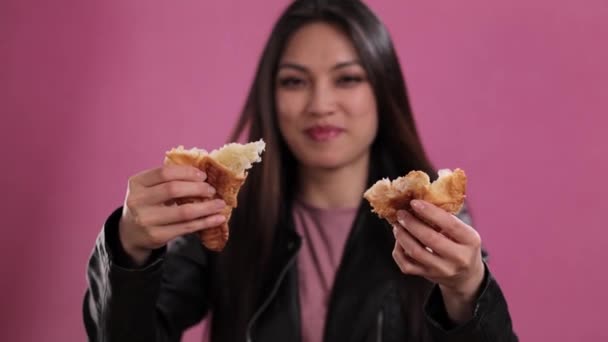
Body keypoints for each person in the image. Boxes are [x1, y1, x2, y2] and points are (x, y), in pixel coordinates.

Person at [83, 0, 518, 341]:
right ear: (270, 97)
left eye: (347, 79)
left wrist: (466, 291)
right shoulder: (221, 217)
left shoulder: (433, 224)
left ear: (383, 92)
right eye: (294, 81)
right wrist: (128, 252)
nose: (320, 104)